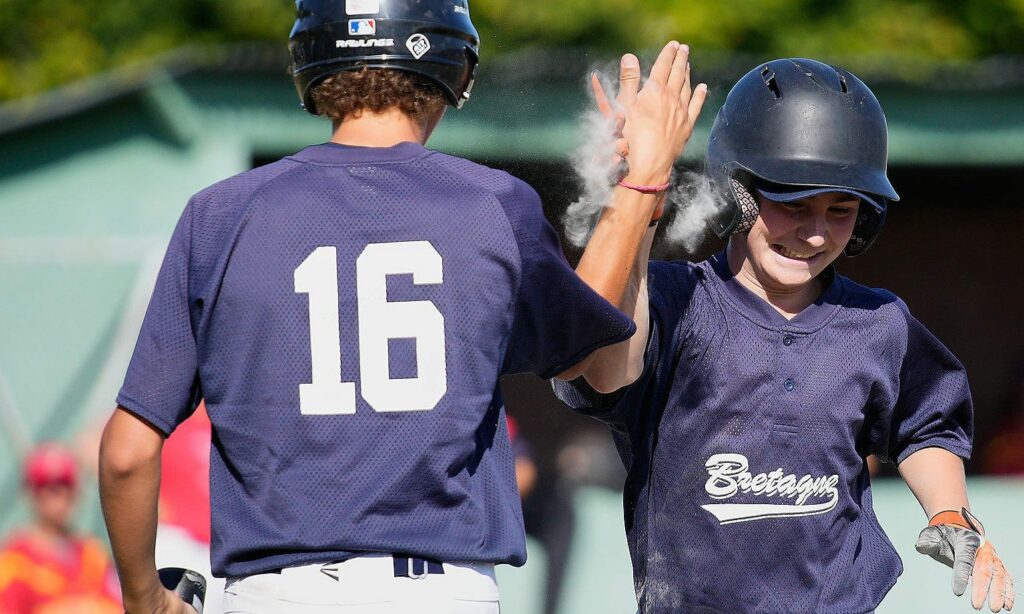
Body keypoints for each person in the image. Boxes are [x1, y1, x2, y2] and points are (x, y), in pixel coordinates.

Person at [96, 0, 706, 610]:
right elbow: (587, 347)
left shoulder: (219, 215)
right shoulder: (492, 204)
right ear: (451, 66)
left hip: (274, 594)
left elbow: (127, 454)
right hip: (441, 592)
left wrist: (147, 598)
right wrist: (640, 181)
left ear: (311, 62)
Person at [554, 58, 1016, 612]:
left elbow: (925, 426)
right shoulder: (677, 302)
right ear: (739, 192)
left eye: (841, 210)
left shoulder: (878, 322)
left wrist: (948, 513)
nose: (815, 232)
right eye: (792, 205)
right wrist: (639, 197)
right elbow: (604, 370)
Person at [0, 443, 121, 613]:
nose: (58, 498)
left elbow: (115, 606)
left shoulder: (91, 553)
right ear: (32, 494)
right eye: (47, 487)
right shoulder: (14, 561)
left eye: (64, 486)